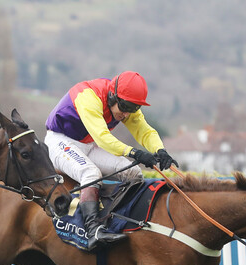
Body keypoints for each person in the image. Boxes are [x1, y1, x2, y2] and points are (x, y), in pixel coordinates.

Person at [45, 71, 177, 251]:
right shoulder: (88, 96)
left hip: (88, 144)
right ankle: (93, 231)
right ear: (112, 95)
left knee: (133, 172)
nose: (126, 113)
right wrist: (135, 153)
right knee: (91, 173)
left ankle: (118, 222)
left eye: (133, 108)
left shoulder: (125, 102)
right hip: (60, 141)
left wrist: (160, 150)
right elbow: (103, 138)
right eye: (124, 107)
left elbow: (144, 131)